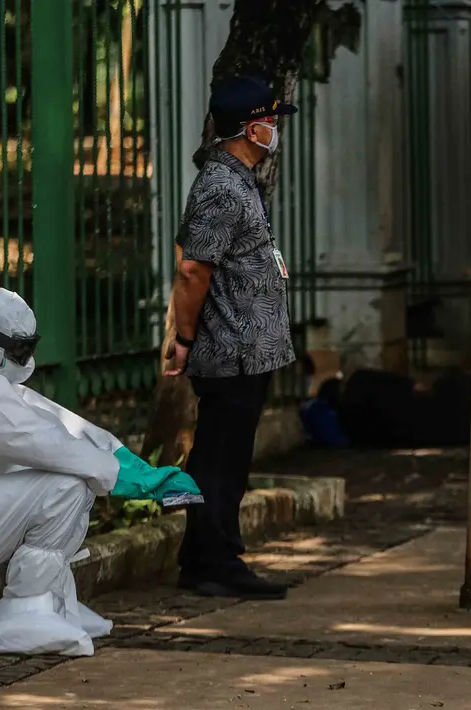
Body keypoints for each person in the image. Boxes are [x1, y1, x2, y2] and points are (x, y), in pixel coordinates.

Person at [0, 288, 194, 656]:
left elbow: (57, 422)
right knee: (66, 485)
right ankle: (22, 614)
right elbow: (43, 440)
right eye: (19, 349)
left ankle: (56, 603)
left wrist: (124, 459)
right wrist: (126, 478)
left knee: (71, 474)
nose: (25, 358)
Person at [168, 75, 297, 600]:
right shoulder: (221, 186)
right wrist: (183, 337)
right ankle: (217, 563)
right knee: (221, 459)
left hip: (248, 348)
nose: (273, 129)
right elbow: (193, 271)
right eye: (268, 121)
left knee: (220, 457)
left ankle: (200, 557)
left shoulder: (239, 179)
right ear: (247, 128)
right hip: (232, 350)